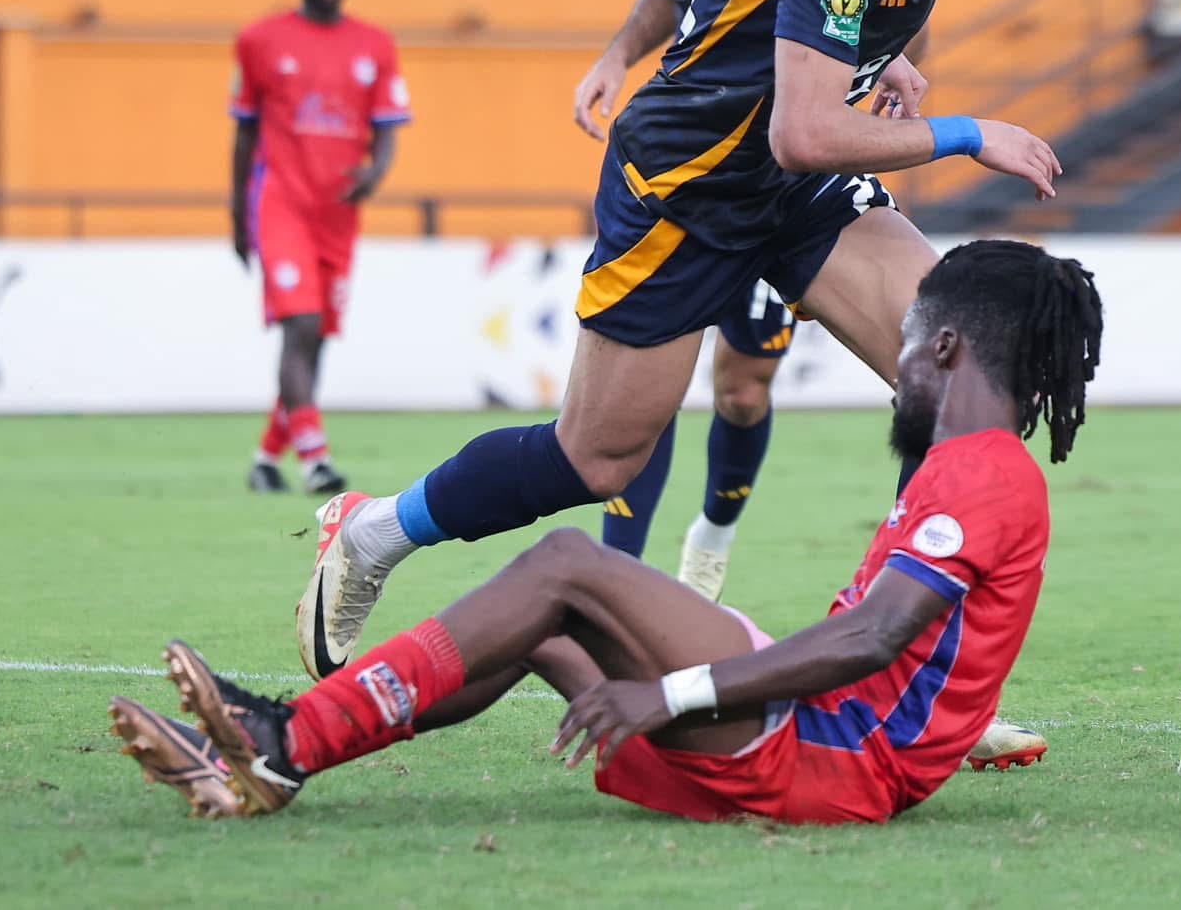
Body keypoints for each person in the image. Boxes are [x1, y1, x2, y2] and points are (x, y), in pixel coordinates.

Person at [295, 0, 1060, 770]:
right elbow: (799, 125)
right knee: (596, 455)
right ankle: (375, 531)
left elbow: (809, 105)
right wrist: (973, 132)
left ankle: (902, 667)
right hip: (688, 183)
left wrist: (882, 62)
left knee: (961, 379)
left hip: (791, 189)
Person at [110, 240, 1101, 824]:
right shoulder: (962, 464)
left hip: (825, 757)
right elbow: (920, 658)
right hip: (817, 741)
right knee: (529, 621)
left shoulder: (985, 473)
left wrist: (664, 689)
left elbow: (869, 639)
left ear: (946, 344)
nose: (896, 364)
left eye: (902, 343)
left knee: (564, 564)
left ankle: (284, 738)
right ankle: (268, 758)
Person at [570, 0, 824, 600]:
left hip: (781, 192)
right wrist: (614, 58)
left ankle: (711, 536)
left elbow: (882, 31)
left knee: (743, 391)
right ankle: (619, 582)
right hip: (684, 182)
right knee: (650, 382)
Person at [229, 0, 410, 495]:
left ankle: (266, 458)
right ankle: (315, 460)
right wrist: (239, 216)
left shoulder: (374, 45)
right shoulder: (261, 40)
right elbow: (243, 135)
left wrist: (376, 172)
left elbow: (386, 128)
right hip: (279, 203)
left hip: (338, 214)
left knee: (315, 336)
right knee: (300, 324)